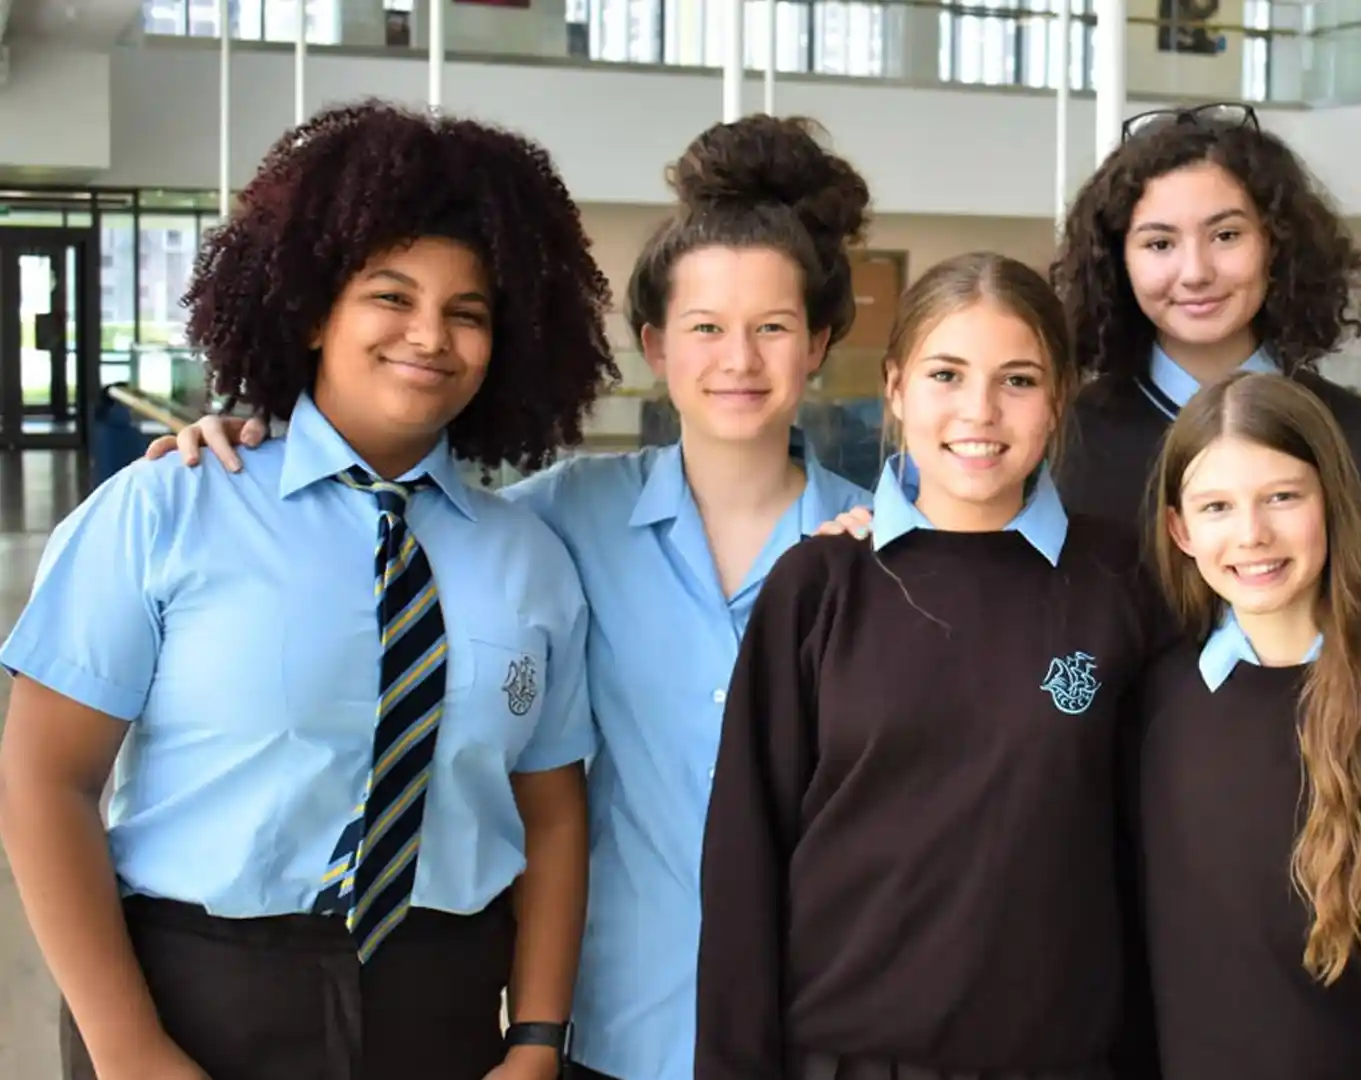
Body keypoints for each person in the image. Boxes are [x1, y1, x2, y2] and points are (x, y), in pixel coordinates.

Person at [141, 112, 877, 1080]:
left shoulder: (889, 548)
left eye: (774, 328)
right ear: (653, 343)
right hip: (616, 1024)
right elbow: (402, 502)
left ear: (819, 342)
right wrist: (262, 432)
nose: (738, 360)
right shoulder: (554, 522)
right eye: (704, 328)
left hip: (825, 1018)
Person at [0, 99, 616, 1080]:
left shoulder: (528, 558)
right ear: (315, 308)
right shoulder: (171, 506)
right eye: (391, 296)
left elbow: (551, 813)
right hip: (197, 993)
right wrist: (128, 1050)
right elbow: (44, 780)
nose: (429, 335)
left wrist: (537, 1036)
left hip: (441, 999)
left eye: (469, 313)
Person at [696, 252, 1168, 1080]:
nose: (979, 411)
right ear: (895, 388)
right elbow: (744, 860)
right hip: (848, 1060)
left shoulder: (1127, 581)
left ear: (1058, 398)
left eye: (1017, 380)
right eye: (946, 374)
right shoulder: (818, 585)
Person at [1136, 370, 1361, 1080]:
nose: (1252, 534)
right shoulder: (1151, 700)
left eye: (1282, 496)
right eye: (1216, 506)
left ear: (1333, 502)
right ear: (1179, 530)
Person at [1051, 102, 1361, 629]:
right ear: (1118, 262)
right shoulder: (1066, 443)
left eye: (1226, 235)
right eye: (1159, 243)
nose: (1196, 272)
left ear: (1277, 246)